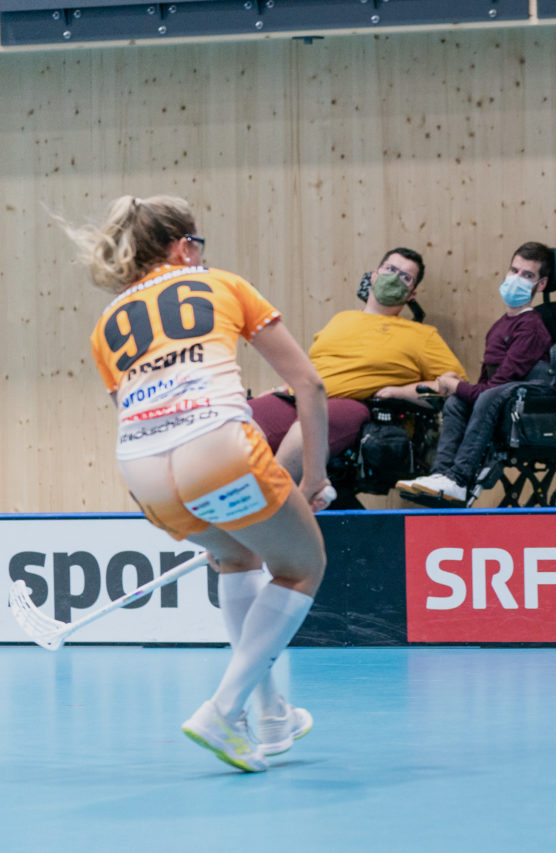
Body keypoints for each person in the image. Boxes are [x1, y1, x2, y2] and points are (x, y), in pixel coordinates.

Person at [68, 194, 330, 772]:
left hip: (143, 471)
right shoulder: (221, 283)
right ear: (184, 247)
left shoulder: (106, 323)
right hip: (215, 446)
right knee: (302, 565)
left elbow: (129, 409)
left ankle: (271, 715)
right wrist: (314, 476)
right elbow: (309, 385)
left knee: (237, 559)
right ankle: (223, 710)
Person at [249, 248, 467, 482]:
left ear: (411, 294)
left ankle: (272, 496)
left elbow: (456, 386)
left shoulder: (422, 335)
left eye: (405, 277)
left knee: (306, 430)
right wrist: (283, 387)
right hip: (299, 396)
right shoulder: (341, 319)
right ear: (374, 275)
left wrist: (401, 391)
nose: (394, 278)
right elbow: (319, 366)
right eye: (390, 269)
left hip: (349, 405)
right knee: (239, 424)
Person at [395, 242, 555, 503]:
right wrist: (458, 387)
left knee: (480, 396)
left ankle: (459, 479)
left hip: (526, 405)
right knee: (457, 402)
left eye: (527, 275)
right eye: (514, 271)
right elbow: (485, 384)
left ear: (541, 284)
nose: (516, 279)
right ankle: (442, 475)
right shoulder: (499, 326)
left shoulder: (531, 328)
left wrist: (456, 386)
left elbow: (497, 386)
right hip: (498, 400)